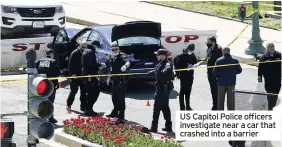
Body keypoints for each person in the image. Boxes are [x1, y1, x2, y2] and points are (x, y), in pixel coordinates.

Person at [150, 49, 173, 133]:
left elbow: (168, 69)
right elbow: (158, 70)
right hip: (161, 90)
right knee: (165, 108)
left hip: (163, 90)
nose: (157, 56)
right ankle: (168, 126)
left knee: (157, 108)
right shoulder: (160, 63)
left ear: (163, 56)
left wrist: (163, 71)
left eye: (158, 55)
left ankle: (154, 127)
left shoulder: (167, 64)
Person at [106, 42, 130, 122]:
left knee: (121, 98)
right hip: (114, 79)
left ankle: (121, 114)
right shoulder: (112, 56)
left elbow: (127, 62)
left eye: (116, 49)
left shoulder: (122, 55)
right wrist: (109, 76)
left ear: (119, 49)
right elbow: (111, 68)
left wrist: (125, 66)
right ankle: (115, 111)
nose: (115, 50)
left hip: (121, 80)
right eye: (113, 49)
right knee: (114, 97)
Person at [36, 49, 61, 123]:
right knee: (50, 101)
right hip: (51, 85)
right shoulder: (53, 61)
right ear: (52, 54)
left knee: (41, 101)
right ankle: (50, 117)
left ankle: (40, 115)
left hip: (41, 84)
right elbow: (58, 73)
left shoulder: (39, 61)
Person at [81, 43, 106, 116]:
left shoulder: (85, 51)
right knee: (95, 91)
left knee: (89, 92)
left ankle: (87, 108)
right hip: (91, 76)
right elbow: (92, 64)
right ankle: (89, 108)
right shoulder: (90, 52)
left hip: (87, 75)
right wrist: (100, 65)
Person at [258, 43, 281, 110]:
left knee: (275, 96)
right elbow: (260, 68)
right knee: (270, 96)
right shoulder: (263, 57)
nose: (271, 48)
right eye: (270, 47)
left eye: (272, 46)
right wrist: (260, 77)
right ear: (267, 48)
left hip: (277, 80)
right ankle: (270, 109)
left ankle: (272, 106)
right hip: (268, 81)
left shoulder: (279, 55)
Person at [174, 44, 198, 110]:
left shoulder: (192, 55)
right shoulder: (181, 56)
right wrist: (185, 66)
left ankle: (188, 106)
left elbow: (195, 62)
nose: (191, 51)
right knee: (182, 91)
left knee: (188, 91)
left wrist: (194, 65)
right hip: (183, 76)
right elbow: (178, 66)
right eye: (190, 50)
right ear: (187, 49)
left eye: (192, 50)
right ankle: (182, 107)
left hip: (190, 75)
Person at [66, 43, 87, 112]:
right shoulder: (75, 53)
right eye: (83, 47)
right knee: (73, 91)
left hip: (83, 75)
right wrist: (72, 74)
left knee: (83, 92)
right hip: (75, 75)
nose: (84, 48)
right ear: (80, 46)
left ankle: (83, 106)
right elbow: (70, 64)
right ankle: (68, 104)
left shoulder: (86, 52)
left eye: (85, 47)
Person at [206, 36, 223, 110]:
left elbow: (216, 60)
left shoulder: (218, 49)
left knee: (216, 89)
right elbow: (208, 56)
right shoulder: (209, 48)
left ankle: (218, 104)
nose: (207, 43)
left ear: (213, 42)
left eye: (209, 41)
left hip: (216, 73)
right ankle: (214, 104)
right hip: (209, 72)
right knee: (212, 89)